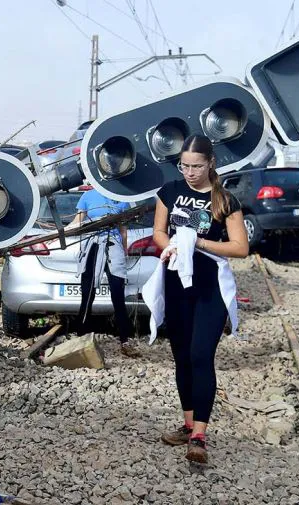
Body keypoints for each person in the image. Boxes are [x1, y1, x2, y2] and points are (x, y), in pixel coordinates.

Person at [152, 135, 249, 464]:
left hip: (210, 286)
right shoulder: (170, 192)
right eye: (185, 166)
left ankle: (199, 436)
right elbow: (159, 231)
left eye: (196, 166)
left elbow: (240, 247)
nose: (190, 172)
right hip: (177, 281)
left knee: (200, 354)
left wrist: (200, 244)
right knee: (181, 355)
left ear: (211, 163)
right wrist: (171, 245)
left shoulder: (225, 200)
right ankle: (188, 422)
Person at [70, 187, 142, 358]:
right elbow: (77, 222)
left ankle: (125, 340)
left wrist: (123, 253)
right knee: (88, 294)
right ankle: (81, 337)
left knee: (118, 295)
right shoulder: (88, 196)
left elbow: (123, 230)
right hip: (93, 245)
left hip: (113, 245)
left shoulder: (121, 198)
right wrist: (59, 231)